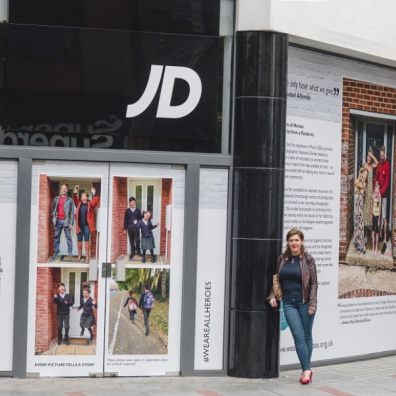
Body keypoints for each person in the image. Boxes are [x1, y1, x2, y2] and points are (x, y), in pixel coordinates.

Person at [268, 228, 318, 385]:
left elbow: (314, 283)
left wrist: (312, 304)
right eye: (291, 240)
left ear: (301, 242)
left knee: (307, 335)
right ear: (288, 243)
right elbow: (277, 280)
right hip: (288, 303)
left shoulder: (308, 259)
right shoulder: (282, 259)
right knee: (298, 335)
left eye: (297, 240)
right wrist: (272, 296)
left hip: (304, 303)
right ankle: (307, 369)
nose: (294, 243)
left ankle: (306, 369)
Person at [73, 185, 100, 263]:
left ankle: (87, 257)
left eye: (85, 196)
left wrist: (94, 193)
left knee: (87, 241)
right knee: (79, 241)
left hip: (86, 226)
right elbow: (75, 198)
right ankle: (79, 255)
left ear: (87, 197)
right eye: (82, 196)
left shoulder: (90, 204)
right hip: (79, 226)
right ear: (81, 198)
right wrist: (75, 191)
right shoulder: (78, 204)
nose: (83, 198)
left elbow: (95, 202)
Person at [51, 183, 74, 260]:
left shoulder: (70, 200)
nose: (64, 189)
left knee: (68, 237)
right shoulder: (56, 199)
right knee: (56, 237)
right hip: (58, 221)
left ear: (67, 190)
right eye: (62, 188)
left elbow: (72, 212)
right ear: (60, 190)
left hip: (66, 221)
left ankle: (70, 252)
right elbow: (53, 208)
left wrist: (71, 223)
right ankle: (56, 251)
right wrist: (54, 216)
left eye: (65, 188)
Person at [374, 146, 390, 254]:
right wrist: (375, 183)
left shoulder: (387, 165)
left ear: (385, 155)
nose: (381, 156)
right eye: (380, 155)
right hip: (378, 194)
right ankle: (379, 236)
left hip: (383, 196)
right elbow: (376, 177)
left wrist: (381, 192)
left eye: (383, 155)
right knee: (378, 216)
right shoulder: (379, 164)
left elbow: (387, 181)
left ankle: (384, 240)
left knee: (384, 217)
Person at [362, 150, 378, 233]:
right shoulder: (364, 166)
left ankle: (369, 224)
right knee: (366, 206)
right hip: (366, 188)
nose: (368, 159)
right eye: (367, 157)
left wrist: (372, 155)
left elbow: (377, 163)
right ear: (366, 158)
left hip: (371, 189)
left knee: (371, 206)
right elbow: (361, 177)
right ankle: (365, 224)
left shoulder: (372, 166)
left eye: (369, 158)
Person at [354, 167, 368, 254]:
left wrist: (362, 183)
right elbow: (356, 184)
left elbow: (362, 190)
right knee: (357, 226)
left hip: (361, 208)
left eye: (366, 175)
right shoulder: (358, 181)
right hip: (357, 208)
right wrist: (360, 175)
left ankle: (362, 246)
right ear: (362, 174)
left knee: (361, 226)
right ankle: (358, 245)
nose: (365, 177)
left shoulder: (364, 184)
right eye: (364, 175)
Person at [372, 181, 381, 256]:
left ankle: (376, 249)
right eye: (376, 187)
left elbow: (380, 209)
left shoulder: (379, 196)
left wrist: (379, 220)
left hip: (377, 216)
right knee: (373, 233)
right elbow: (371, 207)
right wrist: (371, 217)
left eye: (378, 188)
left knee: (377, 233)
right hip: (373, 216)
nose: (377, 190)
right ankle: (373, 248)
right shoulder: (373, 196)